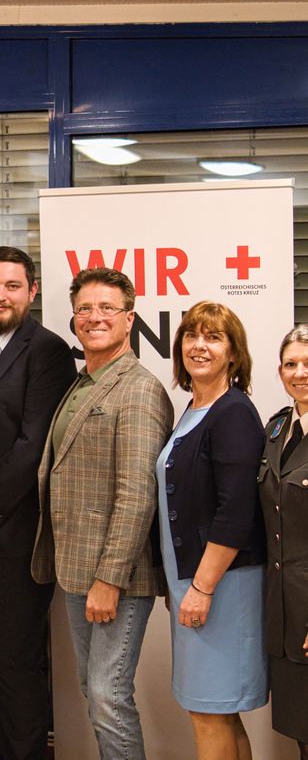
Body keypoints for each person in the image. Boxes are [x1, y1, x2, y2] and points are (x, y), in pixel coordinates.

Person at [31, 267, 173, 760]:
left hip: (116, 576)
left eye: (106, 308)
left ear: (129, 319)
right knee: (97, 695)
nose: (94, 317)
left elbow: (137, 493)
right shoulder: (83, 383)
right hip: (76, 569)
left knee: (109, 697)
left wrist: (109, 580)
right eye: (84, 308)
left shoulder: (137, 389)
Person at [0, 246, 76, 759]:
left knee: (14, 669)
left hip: (14, 541)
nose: (0, 296)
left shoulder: (47, 352)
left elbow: (32, 449)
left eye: (12, 286)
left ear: (32, 292)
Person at [156, 301, 266, 759]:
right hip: (195, 583)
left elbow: (235, 512)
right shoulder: (194, 408)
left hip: (220, 586)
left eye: (213, 337)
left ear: (234, 355)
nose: (199, 346)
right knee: (218, 711)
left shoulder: (233, 412)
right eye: (191, 336)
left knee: (209, 713)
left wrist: (201, 588)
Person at [259, 324, 308, 760]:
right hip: (284, 610)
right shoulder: (277, 429)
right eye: (291, 364)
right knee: (299, 728)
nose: (300, 372)